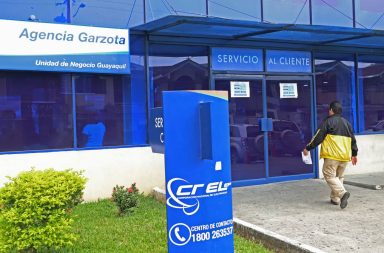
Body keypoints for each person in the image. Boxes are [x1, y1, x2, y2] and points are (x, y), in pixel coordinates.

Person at [303, 101, 358, 209]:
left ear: (331, 110)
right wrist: (354, 154)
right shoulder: (347, 123)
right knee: (339, 177)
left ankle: (342, 194)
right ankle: (335, 199)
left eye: (329, 109)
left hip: (332, 155)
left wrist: (308, 148)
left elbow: (318, 137)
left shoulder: (328, 122)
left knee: (328, 175)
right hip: (345, 156)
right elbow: (353, 140)